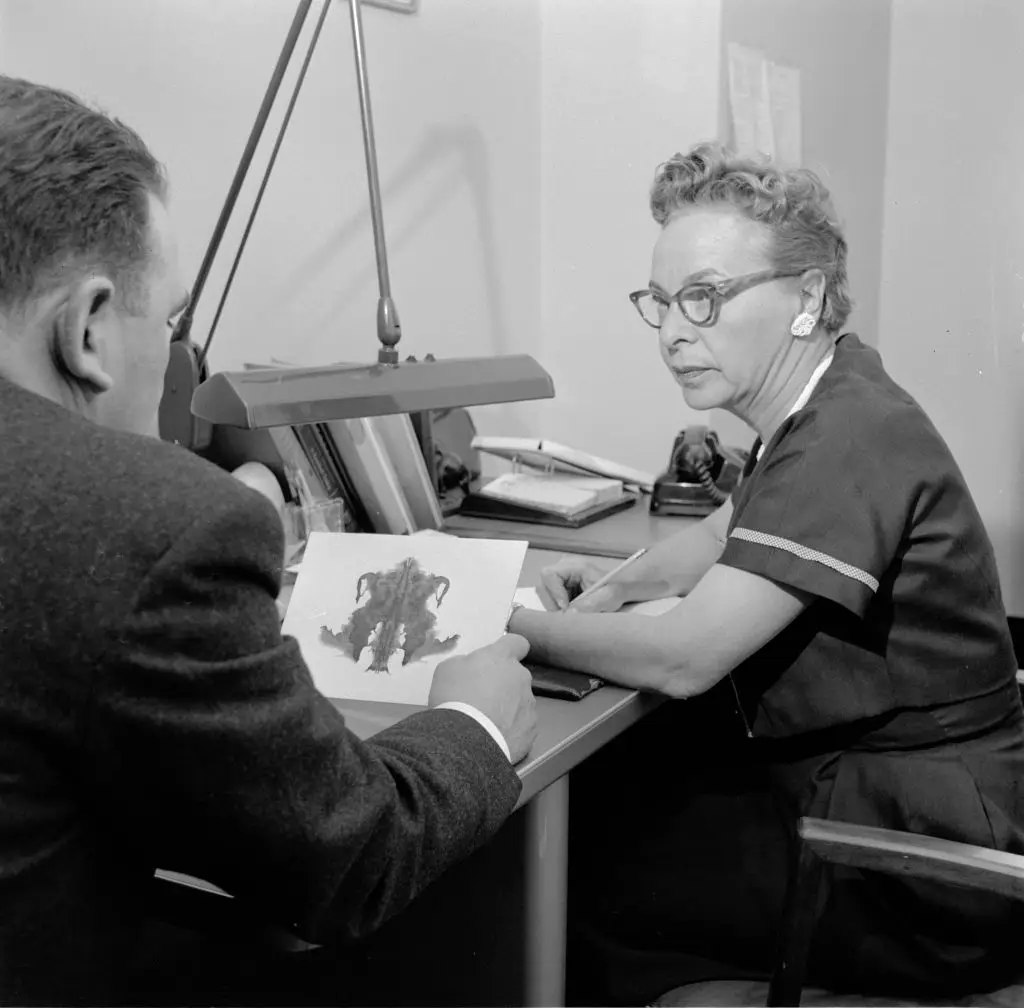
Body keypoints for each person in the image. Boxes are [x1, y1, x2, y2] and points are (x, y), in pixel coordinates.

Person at [0, 75, 537, 1006]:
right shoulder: (147, 523)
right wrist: (474, 720)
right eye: (165, 322)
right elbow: (354, 854)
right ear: (88, 329)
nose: (169, 353)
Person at [508, 143, 1024, 1005]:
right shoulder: (826, 393)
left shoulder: (846, 437)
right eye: (662, 303)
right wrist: (617, 584)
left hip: (921, 864)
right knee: (619, 794)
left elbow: (685, 658)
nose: (675, 331)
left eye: (705, 298)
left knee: (580, 870)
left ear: (808, 296)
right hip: (899, 797)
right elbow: (721, 531)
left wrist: (513, 625)